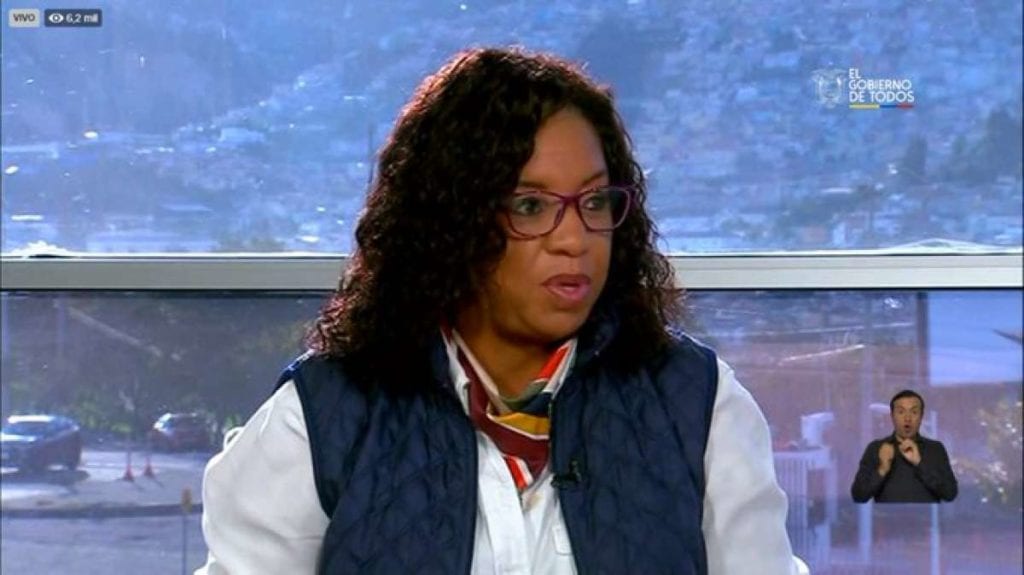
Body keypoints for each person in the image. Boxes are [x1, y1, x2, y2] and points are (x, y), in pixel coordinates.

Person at [197, 47, 796, 575]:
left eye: (594, 201)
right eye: (530, 206)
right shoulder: (326, 417)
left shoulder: (696, 404)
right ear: (451, 221)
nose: (575, 239)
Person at [851, 389, 958, 504]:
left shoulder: (935, 449)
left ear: (921, 416)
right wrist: (882, 469)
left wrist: (919, 463)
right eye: (901, 412)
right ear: (892, 416)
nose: (907, 418)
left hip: (925, 516)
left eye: (914, 412)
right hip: (885, 516)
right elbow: (858, 496)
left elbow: (950, 494)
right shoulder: (876, 448)